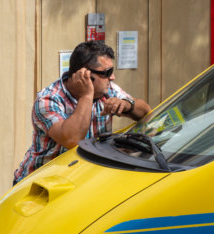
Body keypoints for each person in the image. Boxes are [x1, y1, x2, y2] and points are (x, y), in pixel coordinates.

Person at [14, 41, 151, 184]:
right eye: (107, 72)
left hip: (78, 181)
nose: (112, 77)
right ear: (84, 75)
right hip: (40, 185)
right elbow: (72, 140)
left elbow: (146, 112)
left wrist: (127, 105)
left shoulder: (108, 89)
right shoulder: (49, 100)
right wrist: (86, 96)